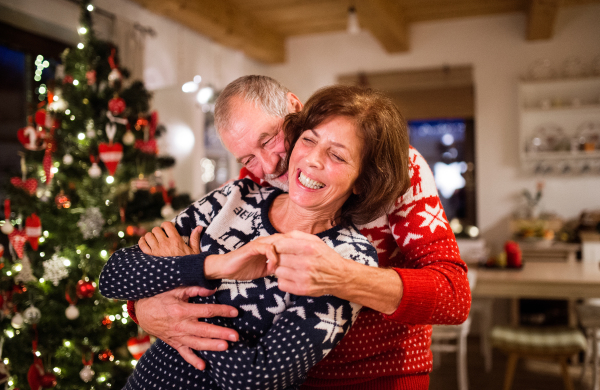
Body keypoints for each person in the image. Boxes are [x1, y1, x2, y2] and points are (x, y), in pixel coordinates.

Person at [129, 76, 471, 389]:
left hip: (378, 372)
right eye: (249, 157)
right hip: (291, 375)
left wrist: (344, 277)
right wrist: (144, 309)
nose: (269, 165)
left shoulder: (400, 170)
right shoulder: (258, 179)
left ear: (295, 108)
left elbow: (454, 296)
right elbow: (168, 254)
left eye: (269, 139)